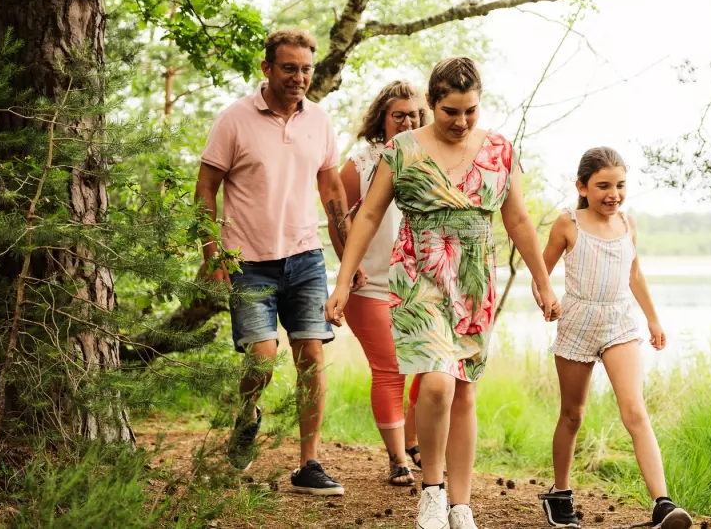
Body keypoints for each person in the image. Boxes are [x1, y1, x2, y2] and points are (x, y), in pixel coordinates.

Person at [325, 57, 560, 529]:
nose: (461, 121)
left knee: (465, 391)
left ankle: (461, 503)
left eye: (470, 111)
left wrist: (542, 279)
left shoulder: (499, 150)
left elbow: (516, 219)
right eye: (450, 111)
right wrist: (342, 281)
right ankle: (431, 492)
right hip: (419, 272)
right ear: (432, 104)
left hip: (474, 277)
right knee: (435, 382)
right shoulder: (403, 149)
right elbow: (368, 216)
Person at [195, 29, 364, 496]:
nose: (299, 77)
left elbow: (332, 192)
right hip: (248, 261)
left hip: (305, 257)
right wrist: (213, 254)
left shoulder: (319, 121)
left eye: (306, 68)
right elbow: (206, 188)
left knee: (311, 355)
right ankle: (247, 415)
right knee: (262, 359)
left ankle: (309, 462)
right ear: (267, 68)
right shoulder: (234, 119)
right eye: (289, 67)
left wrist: (348, 255)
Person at [533, 147, 692, 529]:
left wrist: (653, 319)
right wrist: (547, 299)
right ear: (582, 187)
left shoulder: (628, 224)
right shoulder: (567, 223)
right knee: (573, 415)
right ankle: (560, 494)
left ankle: (663, 504)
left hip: (620, 321)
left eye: (620, 185)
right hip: (577, 321)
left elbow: (634, 275)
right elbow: (542, 274)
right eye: (603, 185)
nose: (613, 194)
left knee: (635, 411)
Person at [329, 80, 427, 487]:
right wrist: (347, 265)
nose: (408, 121)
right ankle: (397, 457)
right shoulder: (363, 162)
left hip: (420, 285)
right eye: (399, 114)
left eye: (416, 114)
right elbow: (337, 211)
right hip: (370, 285)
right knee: (389, 368)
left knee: (426, 365)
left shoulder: (431, 158)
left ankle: (414, 440)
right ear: (383, 119)